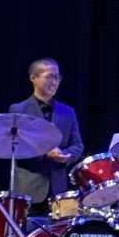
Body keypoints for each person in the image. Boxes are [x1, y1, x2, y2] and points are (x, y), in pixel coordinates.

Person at [9, 58, 84, 216]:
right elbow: (17, 146)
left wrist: (65, 156)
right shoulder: (19, 109)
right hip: (29, 189)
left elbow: (77, 145)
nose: (55, 81)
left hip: (58, 191)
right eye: (50, 77)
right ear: (33, 78)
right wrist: (45, 155)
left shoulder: (68, 112)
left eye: (57, 77)